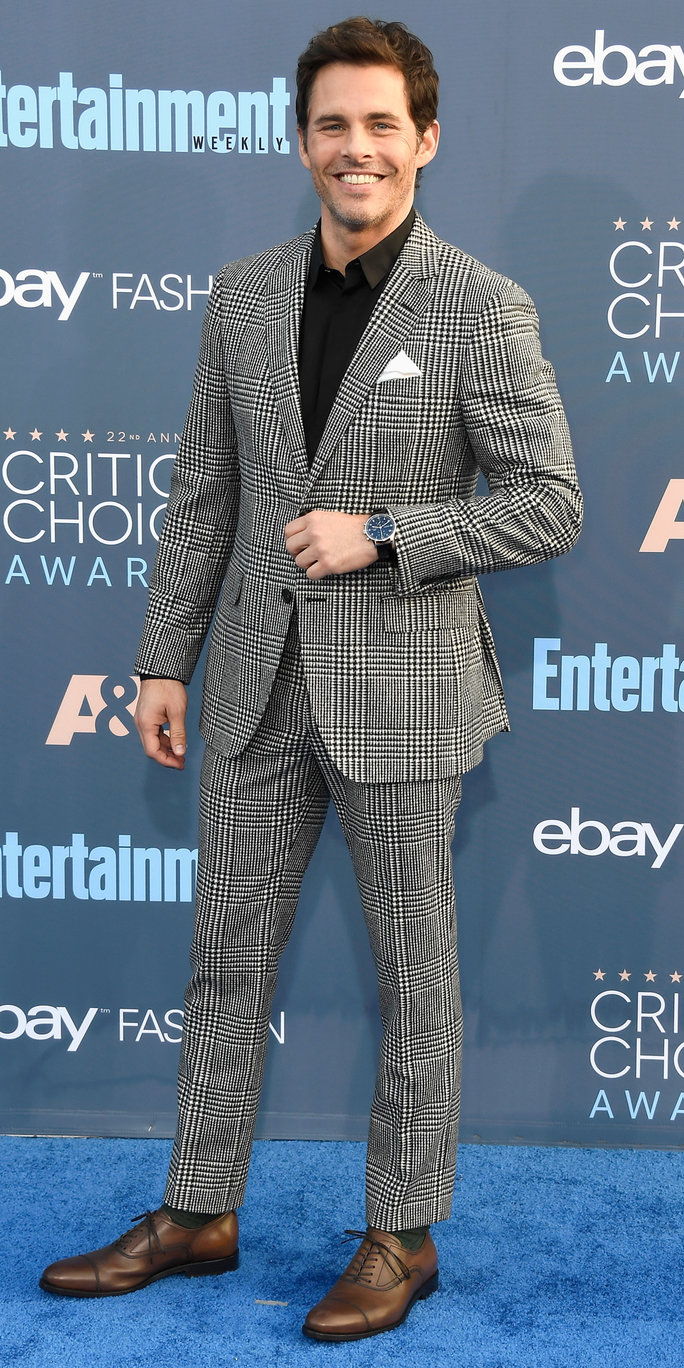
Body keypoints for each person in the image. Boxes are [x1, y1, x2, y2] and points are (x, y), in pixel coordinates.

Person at [39, 16, 582, 1341]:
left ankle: (402, 1235)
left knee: (416, 974)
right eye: (333, 124)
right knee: (224, 959)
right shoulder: (240, 294)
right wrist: (165, 658)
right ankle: (199, 1209)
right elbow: (205, 498)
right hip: (254, 686)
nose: (357, 148)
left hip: (403, 690)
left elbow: (552, 504)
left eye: (382, 125)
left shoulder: (479, 304)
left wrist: (388, 533)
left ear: (427, 141)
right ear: (303, 142)